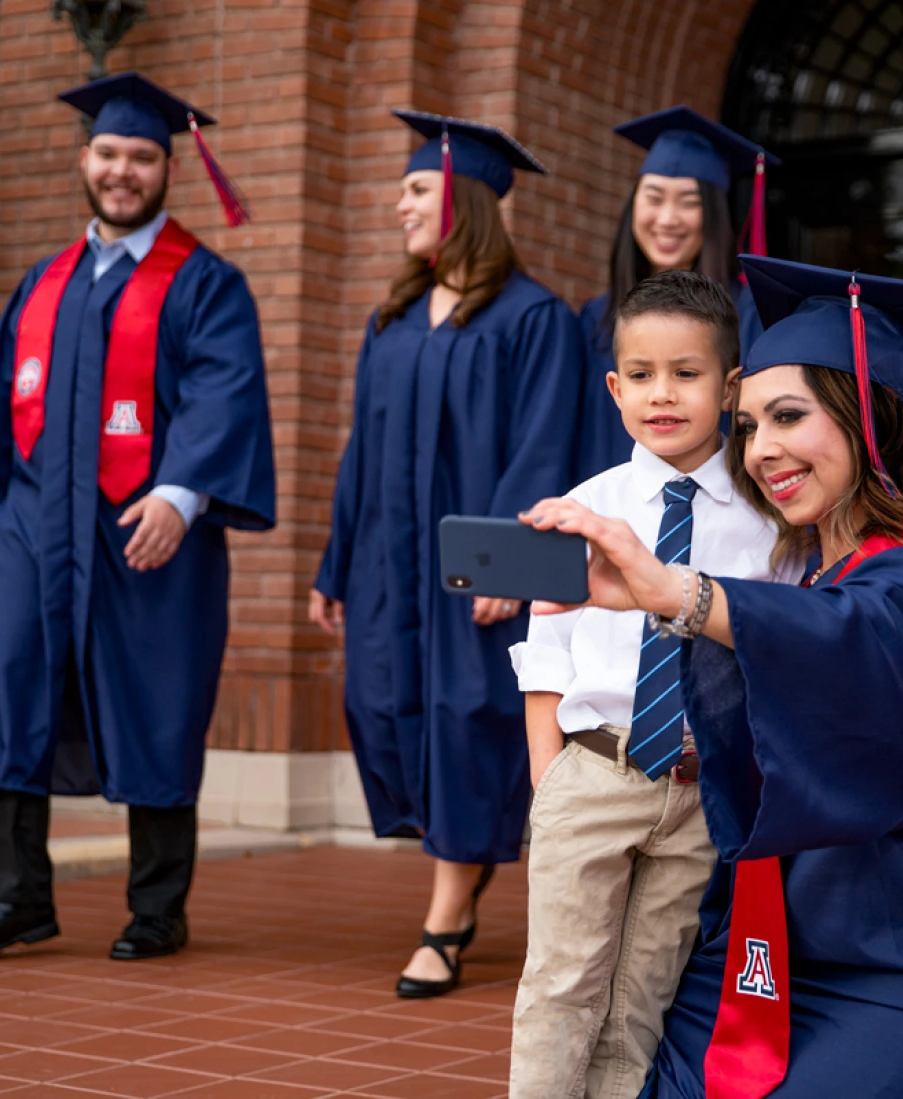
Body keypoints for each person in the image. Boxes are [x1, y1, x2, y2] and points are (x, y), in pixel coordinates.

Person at [522, 256, 903, 1098]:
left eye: (788, 417)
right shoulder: (804, 569)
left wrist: (675, 592)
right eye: (749, 425)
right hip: (764, 951)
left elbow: (846, 640)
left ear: (869, 419)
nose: (762, 449)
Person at [0, 73, 275, 963]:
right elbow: (5, 399)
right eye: (110, 154)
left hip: (144, 533)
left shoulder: (204, 283)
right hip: (38, 527)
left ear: (168, 168)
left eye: (143, 158)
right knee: (9, 686)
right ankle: (12, 899)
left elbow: (222, 394)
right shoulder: (45, 282)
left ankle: (158, 907)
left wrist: (179, 491)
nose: (124, 172)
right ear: (86, 160)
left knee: (158, 699)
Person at [310, 110, 583, 998]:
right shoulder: (390, 319)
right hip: (387, 562)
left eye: (415, 189)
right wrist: (333, 561)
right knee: (382, 699)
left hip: (473, 573)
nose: (399, 205)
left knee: (469, 718)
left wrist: (507, 560)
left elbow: (545, 445)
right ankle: (461, 865)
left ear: (462, 200)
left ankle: (446, 917)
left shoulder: (533, 318)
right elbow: (359, 448)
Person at [508, 271, 795, 1099]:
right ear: (614, 385)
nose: (661, 394)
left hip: (703, 790)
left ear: (730, 384)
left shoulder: (767, 518)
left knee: (642, 992)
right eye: (641, 375)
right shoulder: (587, 505)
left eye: (687, 372)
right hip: (597, 770)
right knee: (562, 981)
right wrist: (547, 773)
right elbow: (548, 650)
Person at [577, 107, 778, 483]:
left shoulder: (751, 314)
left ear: (714, 215)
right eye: (654, 198)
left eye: (689, 202)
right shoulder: (595, 318)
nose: (667, 218)